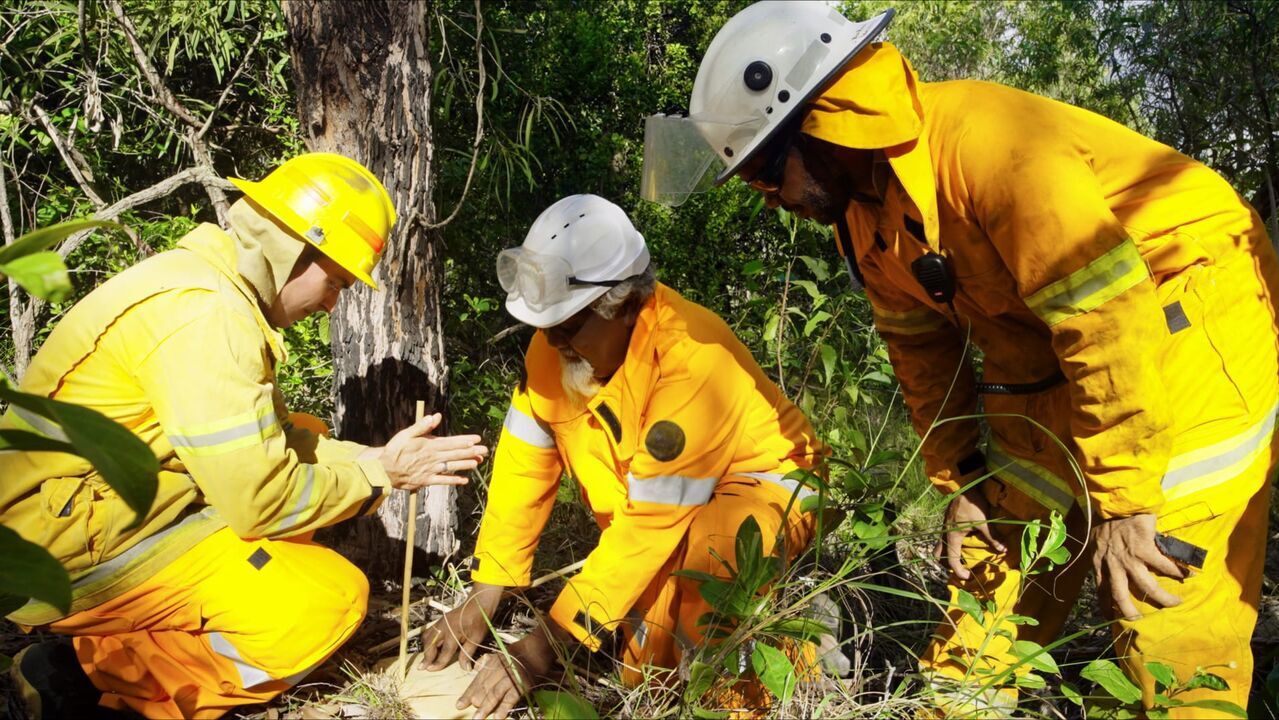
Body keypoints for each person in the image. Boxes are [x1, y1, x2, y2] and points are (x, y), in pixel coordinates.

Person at [643, 2, 1279, 715]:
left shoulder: (990, 146)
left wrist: (1126, 502)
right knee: (989, 569)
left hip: (1186, 308)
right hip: (1048, 348)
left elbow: (1104, 314)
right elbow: (921, 354)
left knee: (1156, 583)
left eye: (766, 171)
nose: (767, 200)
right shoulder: (862, 220)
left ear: (821, 125)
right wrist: (962, 481)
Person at [1, 152, 490, 719]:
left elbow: (280, 440)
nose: (331, 303)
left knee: (308, 435)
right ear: (291, 253)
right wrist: (380, 474)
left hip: (81, 514)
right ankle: (94, 687)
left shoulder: (204, 283)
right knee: (327, 603)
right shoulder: (209, 319)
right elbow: (260, 502)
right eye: (333, 282)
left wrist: (376, 457)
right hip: (63, 550)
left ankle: (114, 645)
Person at [416, 194, 826, 720]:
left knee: (716, 565)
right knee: (648, 669)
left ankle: (766, 687)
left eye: (568, 326)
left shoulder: (691, 357)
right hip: (671, 503)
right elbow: (525, 466)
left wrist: (542, 648)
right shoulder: (553, 346)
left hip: (771, 480)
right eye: (546, 325)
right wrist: (486, 591)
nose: (553, 341)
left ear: (626, 305)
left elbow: (651, 524)